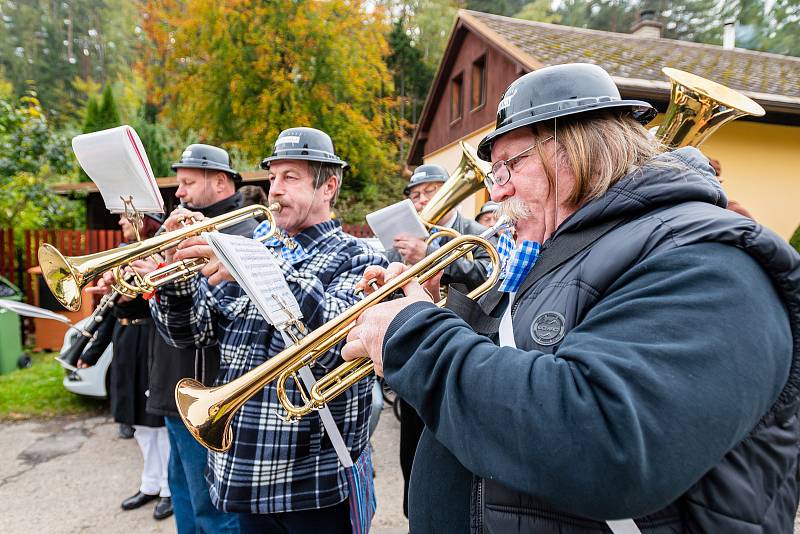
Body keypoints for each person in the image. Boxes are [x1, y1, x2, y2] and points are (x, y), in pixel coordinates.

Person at [341, 63, 800, 533]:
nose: (495, 191)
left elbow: (606, 444)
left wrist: (412, 336)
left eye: (508, 165)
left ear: (580, 149)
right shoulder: (564, 249)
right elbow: (510, 363)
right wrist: (431, 306)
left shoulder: (711, 260)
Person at [149, 127, 387, 533]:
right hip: (243, 470)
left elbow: (332, 345)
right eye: (273, 177)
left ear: (328, 186)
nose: (274, 190)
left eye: (290, 177)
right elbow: (193, 332)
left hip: (311, 479)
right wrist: (176, 275)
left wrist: (253, 269)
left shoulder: (360, 253)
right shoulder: (259, 244)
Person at [147, 143, 248, 534]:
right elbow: (158, 313)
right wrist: (146, 280)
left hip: (207, 388)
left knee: (214, 511)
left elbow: (214, 317)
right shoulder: (181, 229)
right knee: (184, 495)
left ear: (220, 182)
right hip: (173, 386)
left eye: (188, 182)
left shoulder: (241, 231)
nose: (179, 193)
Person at [388, 163, 496, 518]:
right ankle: (413, 512)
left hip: (465, 347)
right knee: (412, 445)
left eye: (429, 191)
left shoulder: (480, 231)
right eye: (416, 195)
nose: (421, 201)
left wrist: (434, 260)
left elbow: (489, 274)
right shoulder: (402, 242)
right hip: (419, 351)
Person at [79, 213, 173, 521]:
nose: (120, 223)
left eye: (125, 218)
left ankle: (168, 489)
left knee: (156, 422)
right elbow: (111, 311)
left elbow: (157, 300)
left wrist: (134, 283)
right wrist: (91, 351)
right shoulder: (124, 255)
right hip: (125, 340)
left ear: (143, 220)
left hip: (150, 338)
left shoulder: (157, 252)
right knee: (137, 420)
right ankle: (150, 482)